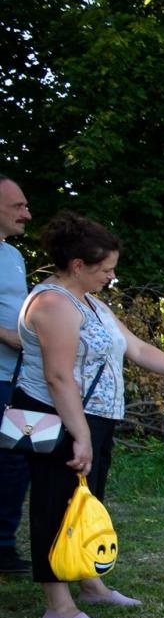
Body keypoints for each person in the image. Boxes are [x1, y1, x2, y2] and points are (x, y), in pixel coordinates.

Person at [14, 212, 164, 618]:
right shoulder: (53, 304)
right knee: (54, 505)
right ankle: (57, 606)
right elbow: (59, 377)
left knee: (85, 502)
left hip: (93, 417)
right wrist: (79, 434)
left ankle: (90, 583)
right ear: (78, 265)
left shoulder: (91, 304)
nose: (111, 277)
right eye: (106, 269)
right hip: (58, 418)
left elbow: (137, 349)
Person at [0, 175, 34, 575]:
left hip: (19, 376)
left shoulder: (12, 255)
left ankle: (4, 546)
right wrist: (7, 335)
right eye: (18, 206)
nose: (27, 213)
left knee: (18, 458)